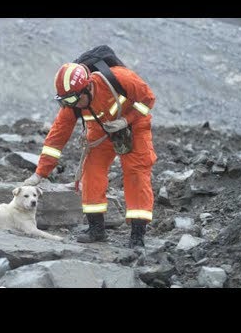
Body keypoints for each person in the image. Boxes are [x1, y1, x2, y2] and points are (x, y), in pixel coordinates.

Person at [23, 60, 157, 248]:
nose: (72, 104)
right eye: (66, 101)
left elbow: (148, 99)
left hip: (134, 128)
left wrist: (127, 120)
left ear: (88, 88)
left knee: (136, 173)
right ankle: (96, 229)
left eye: (73, 99)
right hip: (99, 131)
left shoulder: (120, 78)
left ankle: (137, 235)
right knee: (91, 173)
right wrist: (40, 173)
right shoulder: (73, 103)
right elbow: (56, 137)